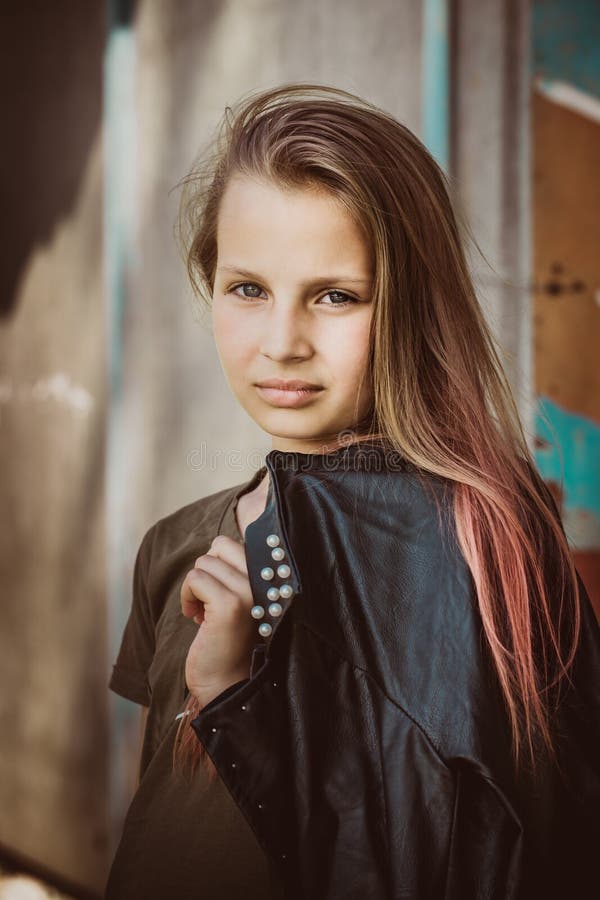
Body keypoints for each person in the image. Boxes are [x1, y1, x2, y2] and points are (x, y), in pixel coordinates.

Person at [104, 83, 600, 899]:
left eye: (336, 296)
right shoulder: (179, 542)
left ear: (409, 306)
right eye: (248, 289)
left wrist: (233, 694)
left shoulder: (478, 544)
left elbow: (479, 850)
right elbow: (162, 810)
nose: (283, 342)